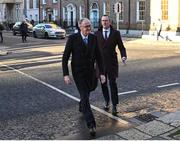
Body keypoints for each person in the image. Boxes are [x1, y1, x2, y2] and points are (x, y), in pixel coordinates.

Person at [62, 18, 106, 136]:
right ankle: (91, 124)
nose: (88, 28)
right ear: (80, 27)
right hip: (78, 72)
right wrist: (66, 74)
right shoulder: (73, 39)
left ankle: (81, 104)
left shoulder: (93, 38)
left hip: (91, 72)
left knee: (89, 90)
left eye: (89, 26)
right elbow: (65, 57)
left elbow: (99, 57)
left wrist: (101, 73)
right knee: (85, 96)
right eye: (86, 26)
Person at [95, 15, 127, 116]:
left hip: (112, 63)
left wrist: (123, 56)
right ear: (101, 22)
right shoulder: (97, 34)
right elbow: (93, 50)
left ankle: (114, 105)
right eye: (103, 20)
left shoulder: (115, 33)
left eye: (106, 20)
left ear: (110, 22)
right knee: (103, 84)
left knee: (113, 84)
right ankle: (107, 102)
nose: (104, 22)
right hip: (100, 64)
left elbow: (122, 47)